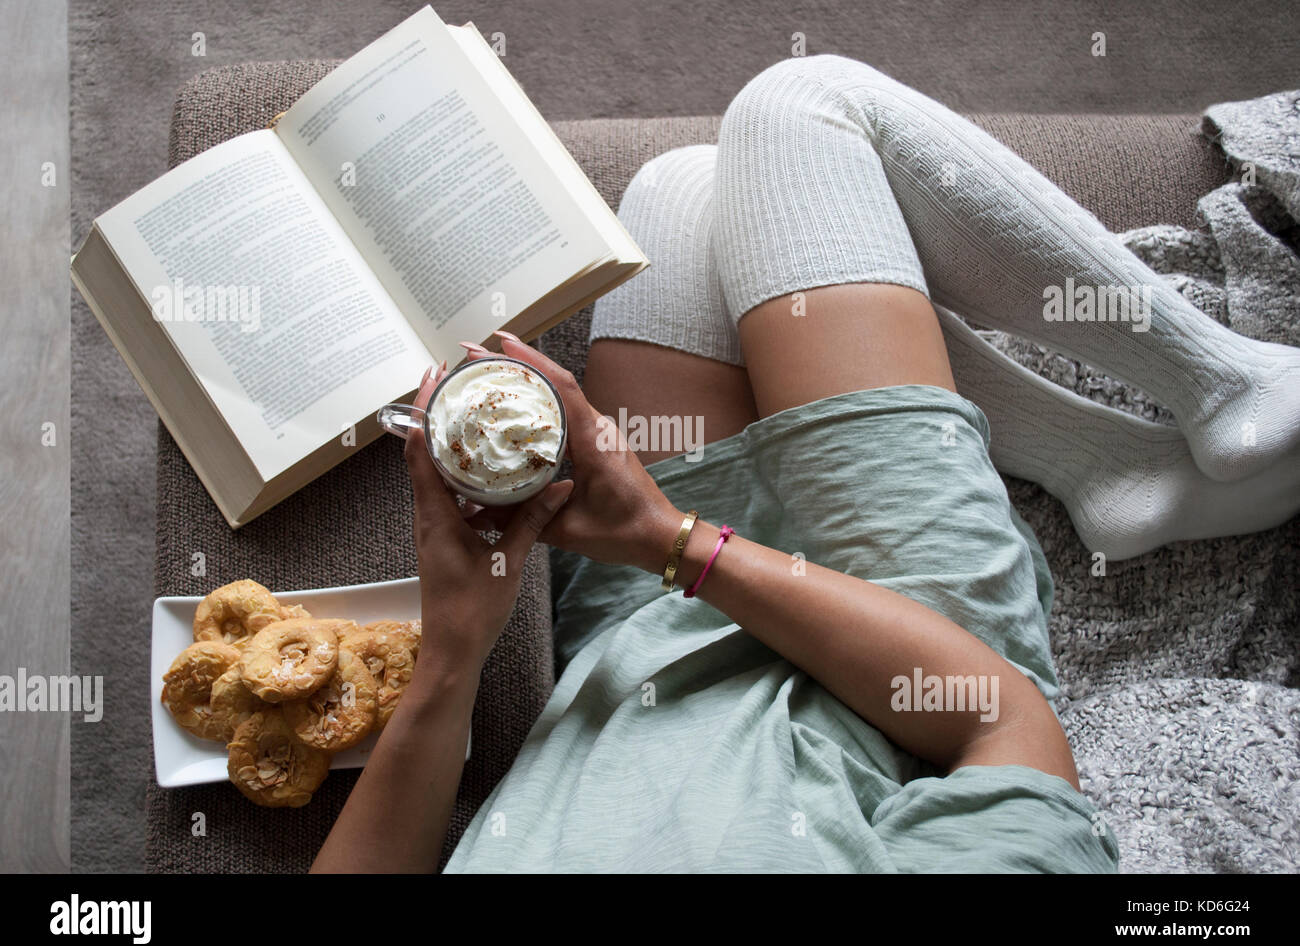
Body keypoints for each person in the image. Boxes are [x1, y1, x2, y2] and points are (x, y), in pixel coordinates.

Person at [312, 56, 1299, 873]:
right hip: (894, 619)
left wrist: (453, 649)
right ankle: (1215, 389)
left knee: (689, 194)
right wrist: (672, 540)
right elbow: (1000, 724)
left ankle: (1105, 465)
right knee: (798, 109)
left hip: (639, 631)